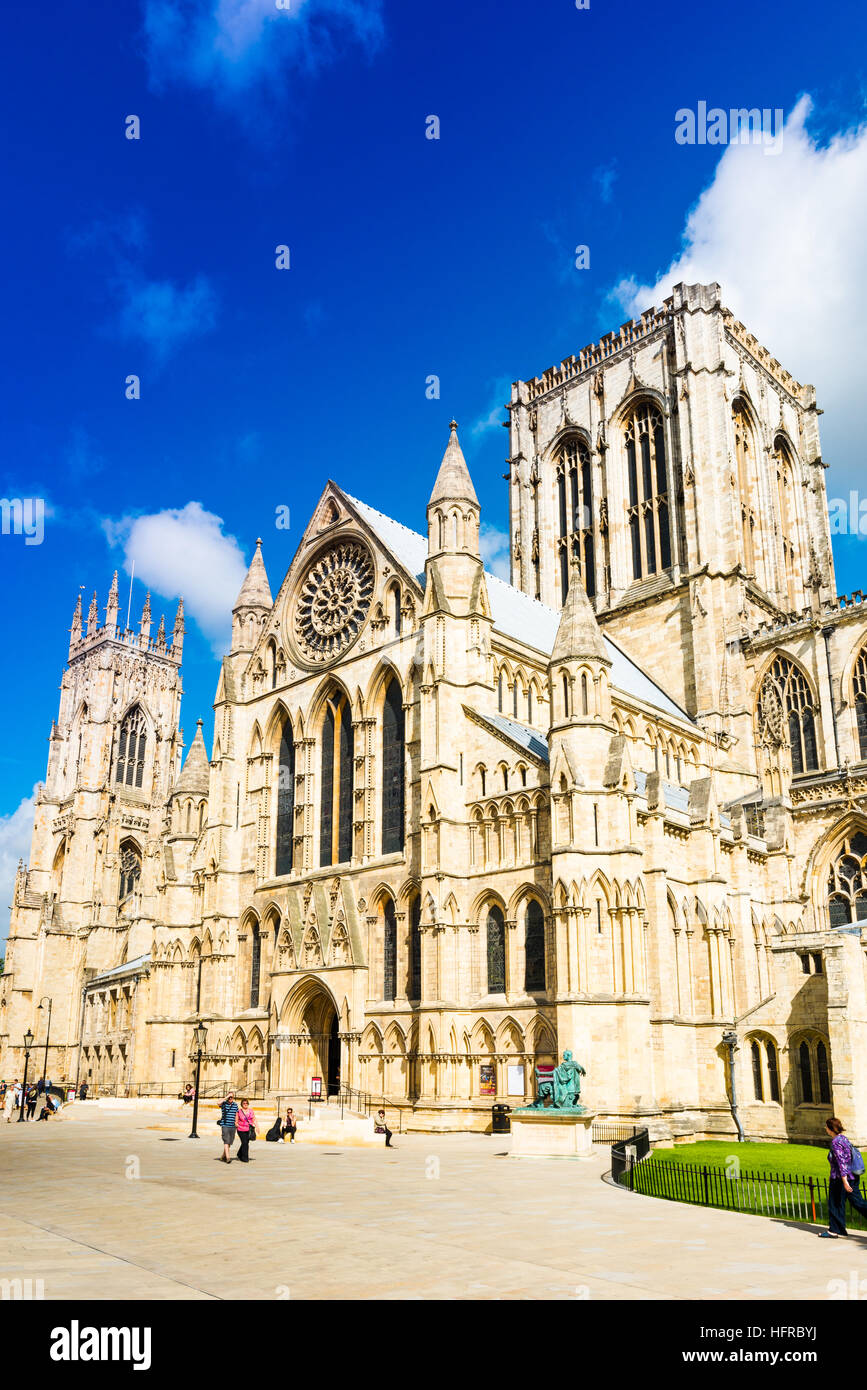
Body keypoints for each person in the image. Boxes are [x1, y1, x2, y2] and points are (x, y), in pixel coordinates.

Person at [821, 1117, 867, 1237]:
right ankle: (838, 1229)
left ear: (830, 1129)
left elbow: (842, 1162)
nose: (825, 1129)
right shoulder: (844, 1138)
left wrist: (845, 1182)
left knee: (835, 1203)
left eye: (826, 1127)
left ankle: (835, 1230)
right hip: (853, 1176)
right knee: (858, 1203)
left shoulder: (836, 1142)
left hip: (841, 1179)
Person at [218, 1091, 239, 1163]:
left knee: (229, 1142)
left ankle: (223, 1156)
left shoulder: (235, 1105)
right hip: (225, 1125)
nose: (230, 1098)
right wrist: (226, 1097)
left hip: (233, 1126)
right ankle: (228, 1158)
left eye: (231, 1097)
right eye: (229, 1097)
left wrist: (236, 1122)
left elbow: (236, 1114)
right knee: (226, 1141)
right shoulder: (223, 1104)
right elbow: (218, 1103)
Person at [235, 1098, 257, 1162]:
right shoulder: (239, 1111)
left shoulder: (251, 1111)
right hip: (241, 1129)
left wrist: (257, 1127)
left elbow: (254, 1119)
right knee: (245, 1143)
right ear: (241, 1104)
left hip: (248, 1130)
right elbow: (236, 1120)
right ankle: (245, 1158)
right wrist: (236, 1124)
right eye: (244, 1103)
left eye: (246, 1103)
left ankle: (239, 1154)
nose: (245, 1104)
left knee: (246, 1142)